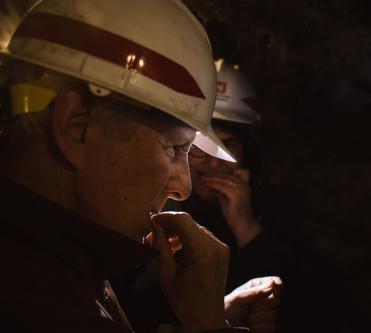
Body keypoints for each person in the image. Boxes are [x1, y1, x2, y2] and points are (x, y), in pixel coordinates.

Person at [0, 1, 255, 332]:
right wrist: (208, 326)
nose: (183, 186)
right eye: (176, 147)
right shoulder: (40, 302)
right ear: (78, 124)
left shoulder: (63, 261)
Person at [112, 59, 337, 333]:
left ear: (249, 157)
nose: (214, 162)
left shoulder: (276, 210)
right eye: (197, 148)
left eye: (229, 147)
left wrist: (247, 228)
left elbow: (311, 304)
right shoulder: (155, 211)